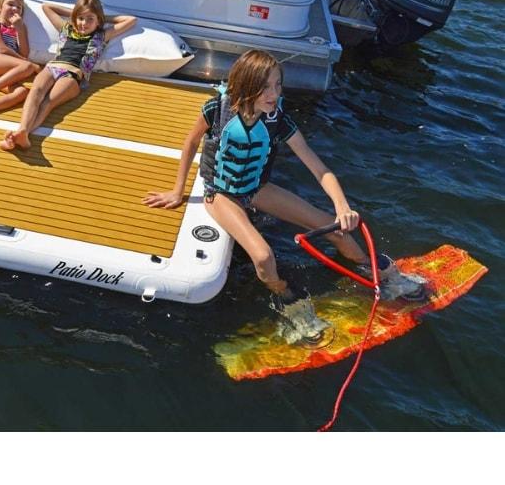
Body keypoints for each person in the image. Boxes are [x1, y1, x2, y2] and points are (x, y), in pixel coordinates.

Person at [143, 49, 425, 312]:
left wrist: (342, 206)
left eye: (278, 85)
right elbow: (191, 142)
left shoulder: (278, 121)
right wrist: (177, 191)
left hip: (256, 188)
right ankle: (285, 296)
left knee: (337, 231)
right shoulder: (217, 110)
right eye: (266, 87)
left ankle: (368, 268)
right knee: (264, 256)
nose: (274, 94)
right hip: (220, 194)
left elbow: (319, 169)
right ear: (246, 85)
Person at [0, 0, 136, 151]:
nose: (84, 23)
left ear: (98, 20)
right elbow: (47, 7)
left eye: (90, 19)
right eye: (81, 18)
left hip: (74, 74)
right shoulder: (66, 28)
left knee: (48, 102)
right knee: (35, 92)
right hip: (53, 66)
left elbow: (130, 20)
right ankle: (21, 131)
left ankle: (23, 134)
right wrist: (75, 12)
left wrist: (102, 18)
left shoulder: (101, 35)